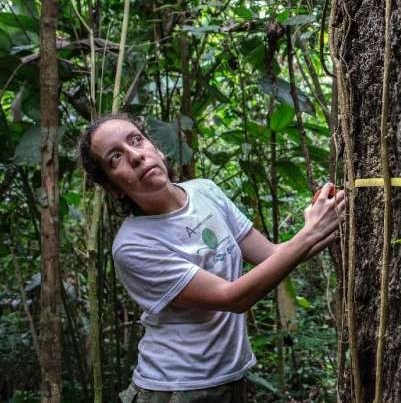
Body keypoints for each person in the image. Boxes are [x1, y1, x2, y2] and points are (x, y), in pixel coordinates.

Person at [77, 113, 345, 402]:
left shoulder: (205, 191)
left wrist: (328, 221)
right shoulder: (133, 246)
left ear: (156, 147)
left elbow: (272, 255)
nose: (136, 156)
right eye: (115, 157)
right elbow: (233, 298)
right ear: (113, 186)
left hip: (231, 376)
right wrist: (310, 233)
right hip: (176, 387)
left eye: (136, 140)